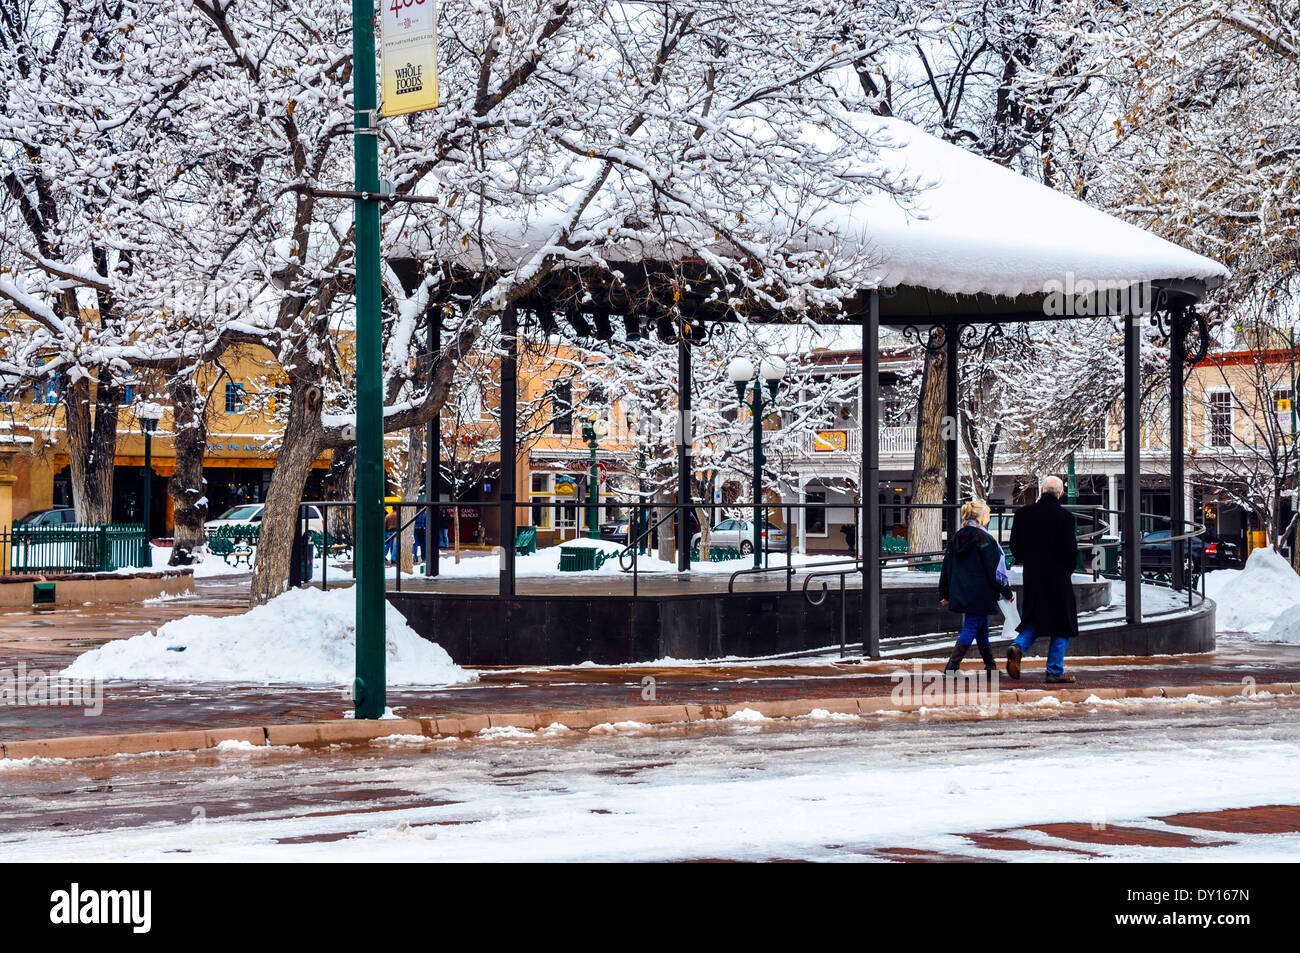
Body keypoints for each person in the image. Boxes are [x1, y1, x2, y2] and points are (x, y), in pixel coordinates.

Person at [1006, 475, 1079, 683]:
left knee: (1035, 616)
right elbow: (1070, 551)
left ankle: (1018, 646)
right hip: (1058, 577)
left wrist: (1027, 560)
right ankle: (1054, 671)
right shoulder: (1066, 518)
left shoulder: (1023, 514)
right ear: (1061, 493)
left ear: (1041, 491)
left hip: (1033, 576)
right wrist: (1066, 570)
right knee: (1063, 622)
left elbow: (1014, 546)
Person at [939, 500, 1013, 674]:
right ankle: (952, 666)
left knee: (981, 628)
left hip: (962, 590)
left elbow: (947, 566)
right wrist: (1006, 591)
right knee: (972, 627)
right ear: (982, 517)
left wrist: (944, 592)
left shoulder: (957, 537)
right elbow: (994, 570)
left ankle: (990, 666)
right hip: (981, 592)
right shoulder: (985, 539)